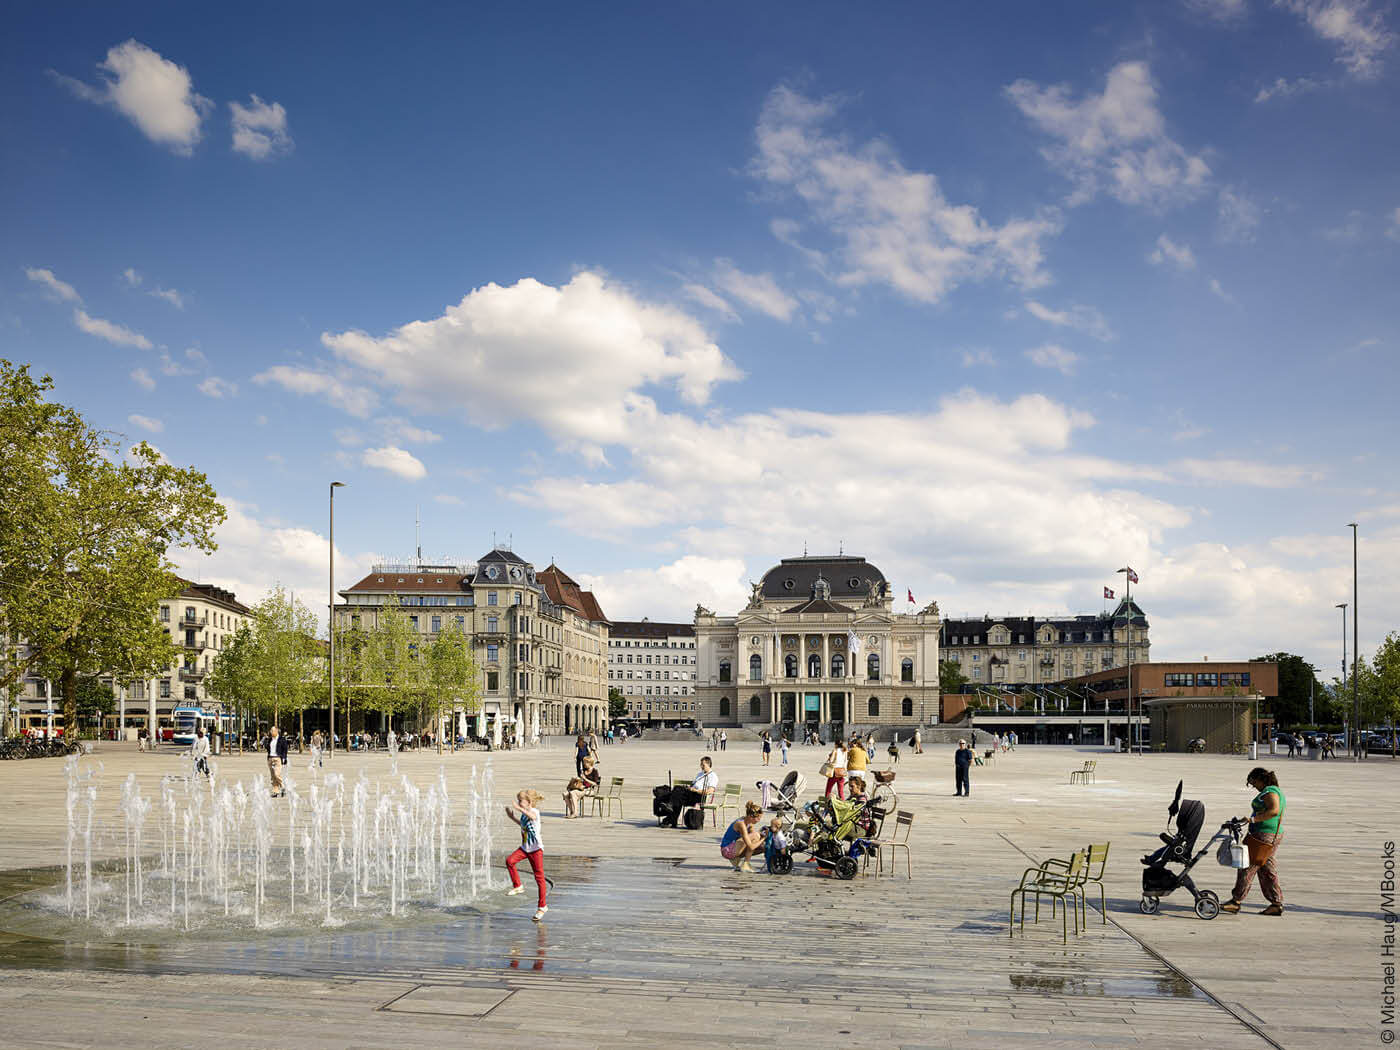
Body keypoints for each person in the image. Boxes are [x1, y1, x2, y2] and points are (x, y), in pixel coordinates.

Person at [1220, 768, 1286, 915]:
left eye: (1254, 782)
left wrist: (1253, 820)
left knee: (1247, 866)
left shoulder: (1270, 791)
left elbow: (1274, 810)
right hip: (1267, 835)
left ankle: (1236, 901)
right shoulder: (1274, 790)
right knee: (1267, 870)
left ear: (1261, 779)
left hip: (1264, 835)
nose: (1254, 786)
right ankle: (1276, 903)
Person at [504, 789, 549, 921]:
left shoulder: (535, 812)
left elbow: (533, 817)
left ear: (528, 802)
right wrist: (512, 817)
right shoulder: (525, 814)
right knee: (510, 861)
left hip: (535, 850)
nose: (518, 802)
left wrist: (518, 809)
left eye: (520, 800)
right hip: (525, 848)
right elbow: (523, 825)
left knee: (539, 878)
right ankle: (518, 886)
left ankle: (542, 907)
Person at [661, 756, 718, 828]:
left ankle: (671, 817)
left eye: (703, 765)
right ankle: (671, 815)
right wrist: (689, 788)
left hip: (701, 797)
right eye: (701, 765)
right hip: (692, 794)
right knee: (677, 791)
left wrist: (696, 790)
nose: (701, 766)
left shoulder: (713, 776)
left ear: (708, 764)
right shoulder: (700, 774)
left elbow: (710, 791)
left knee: (677, 796)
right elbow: (693, 785)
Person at [719, 801, 765, 872]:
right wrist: (764, 838)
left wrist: (762, 838)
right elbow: (751, 846)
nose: (759, 820)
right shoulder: (741, 824)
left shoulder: (749, 823)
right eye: (758, 818)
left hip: (734, 847)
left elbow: (754, 841)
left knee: (762, 847)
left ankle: (737, 859)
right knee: (756, 835)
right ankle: (746, 864)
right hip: (726, 850)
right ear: (751, 816)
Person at [267, 725, 289, 797]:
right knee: (273, 777)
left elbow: (285, 749)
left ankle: (283, 786)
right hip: (270, 758)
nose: (271, 732)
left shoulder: (282, 739)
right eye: (271, 730)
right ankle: (275, 791)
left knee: (277, 774)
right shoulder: (270, 739)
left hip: (278, 758)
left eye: (272, 730)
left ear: (276, 731)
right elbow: (268, 748)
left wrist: (284, 758)